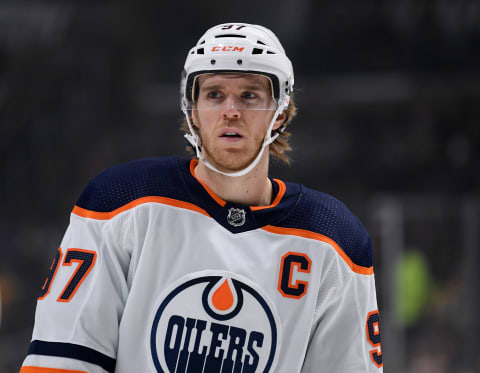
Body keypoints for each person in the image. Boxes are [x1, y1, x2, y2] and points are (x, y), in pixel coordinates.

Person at [20, 23, 383, 372]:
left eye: (250, 95)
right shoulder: (121, 201)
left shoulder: (334, 240)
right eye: (214, 94)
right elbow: (62, 361)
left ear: (280, 113)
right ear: (192, 109)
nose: (231, 111)